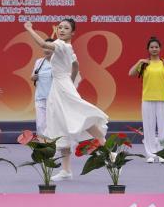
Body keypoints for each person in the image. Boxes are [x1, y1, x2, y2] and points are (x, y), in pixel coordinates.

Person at [24, 19, 108, 181]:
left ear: (72, 32)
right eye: (60, 27)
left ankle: (107, 148)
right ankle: (66, 170)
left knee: (78, 116)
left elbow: (43, 44)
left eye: (66, 28)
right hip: (59, 86)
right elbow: (75, 65)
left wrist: (29, 29)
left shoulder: (62, 45)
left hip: (62, 87)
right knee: (61, 125)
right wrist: (70, 80)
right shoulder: (67, 46)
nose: (62, 30)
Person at [128, 36, 164, 163]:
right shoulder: (144, 64)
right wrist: (139, 61)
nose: (154, 49)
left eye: (156, 47)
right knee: (148, 128)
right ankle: (150, 154)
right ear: (148, 49)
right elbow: (131, 73)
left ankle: (162, 154)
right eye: (152, 47)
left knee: (163, 128)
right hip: (147, 99)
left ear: (160, 48)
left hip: (163, 98)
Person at [32, 39, 54, 136]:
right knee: (40, 125)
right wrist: (34, 77)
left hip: (54, 99)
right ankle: (42, 144)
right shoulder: (39, 62)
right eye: (45, 47)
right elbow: (32, 77)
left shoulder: (58, 63)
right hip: (40, 97)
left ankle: (54, 144)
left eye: (49, 48)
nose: (47, 50)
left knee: (53, 125)